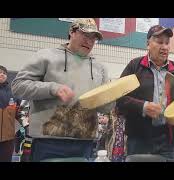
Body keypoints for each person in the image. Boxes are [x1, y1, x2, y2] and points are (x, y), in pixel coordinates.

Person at [11, 18, 114, 161]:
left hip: (86, 143)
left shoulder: (100, 68)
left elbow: (104, 107)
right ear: (72, 32)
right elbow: (18, 85)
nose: (89, 42)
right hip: (49, 141)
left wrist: (113, 99)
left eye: (93, 38)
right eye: (85, 35)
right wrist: (53, 88)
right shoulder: (46, 56)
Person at [116, 25, 174, 162]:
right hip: (139, 140)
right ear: (148, 44)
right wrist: (143, 107)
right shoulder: (135, 66)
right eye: (159, 42)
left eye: (167, 43)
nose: (164, 47)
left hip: (170, 141)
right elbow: (119, 99)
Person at [0, 65, 21, 161]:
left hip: (8, 139)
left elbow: (21, 113)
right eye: (0, 72)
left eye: (4, 73)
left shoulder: (13, 93)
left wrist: (28, 126)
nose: (2, 74)